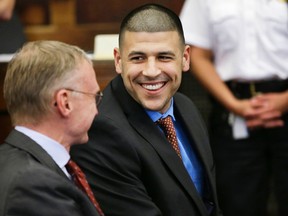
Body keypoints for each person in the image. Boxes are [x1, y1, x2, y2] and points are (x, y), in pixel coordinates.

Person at [71, 3, 222, 216]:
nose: (151, 71)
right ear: (119, 60)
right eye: (138, 58)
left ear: (185, 58)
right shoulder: (100, 131)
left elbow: (208, 203)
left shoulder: (186, 107)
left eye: (164, 57)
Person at [180, 1, 288, 216]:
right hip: (232, 106)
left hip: (285, 96)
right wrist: (235, 105)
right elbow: (197, 55)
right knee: (238, 202)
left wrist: (285, 100)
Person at [0, 40, 104, 216]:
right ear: (65, 102)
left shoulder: (11, 160)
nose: (96, 111)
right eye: (94, 96)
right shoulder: (34, 184)